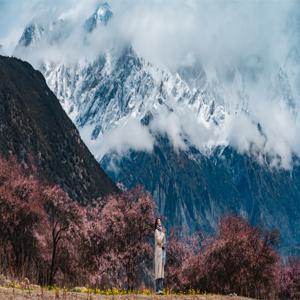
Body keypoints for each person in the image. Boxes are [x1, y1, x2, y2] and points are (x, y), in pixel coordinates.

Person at [154, 217, 166, 294]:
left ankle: (161, 289)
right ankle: (157, 289)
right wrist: (163, 234)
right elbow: (158, 240)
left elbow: (163, 242)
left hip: (162, 252)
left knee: (161, 272)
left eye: (160, 221)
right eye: (158, 221)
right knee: (158, 271)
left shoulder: (161, 231)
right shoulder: (156, 231)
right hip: (158, 253)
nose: (159, 222)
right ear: (156, 223)